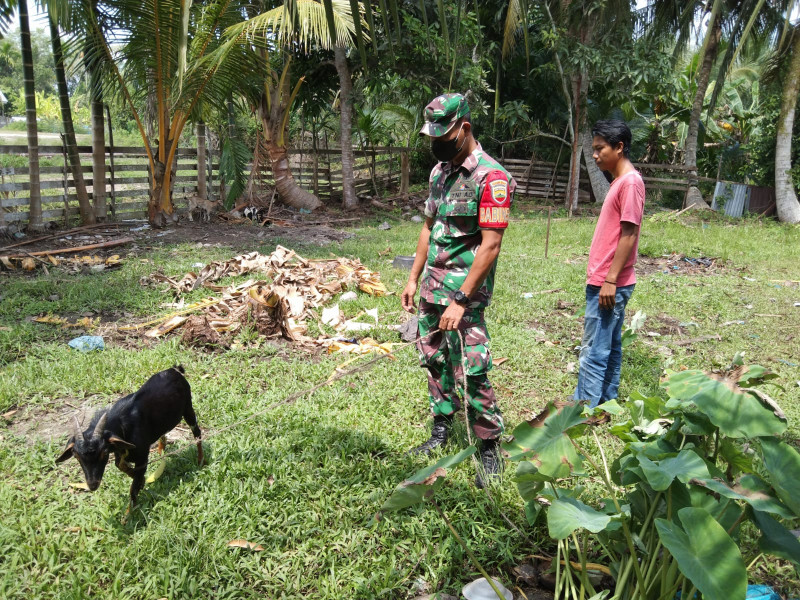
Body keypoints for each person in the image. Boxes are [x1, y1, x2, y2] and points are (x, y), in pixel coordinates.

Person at [401, 93, 516, 488]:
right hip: (432, 287)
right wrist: (414, 278)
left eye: (444, 137)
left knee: (474, 367)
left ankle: (488, 446)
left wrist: (461, 299)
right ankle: (441, 428)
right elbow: (427, 227)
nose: (438, 145)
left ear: (464, 128)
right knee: (433, 359)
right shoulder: (439, 173)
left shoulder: (492, 177)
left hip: (464, 295)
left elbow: (491, 245)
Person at [573, 119, 645, 408]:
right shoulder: (621, 182)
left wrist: (610, 280)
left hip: (609, 282)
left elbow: (630, 233)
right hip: (608, 280)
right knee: (610, 347)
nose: (595, 155)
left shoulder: (630, 183)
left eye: (600, 148)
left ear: (619, 147)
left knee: (593, 350)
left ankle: (582, 412)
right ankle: (605, 403)